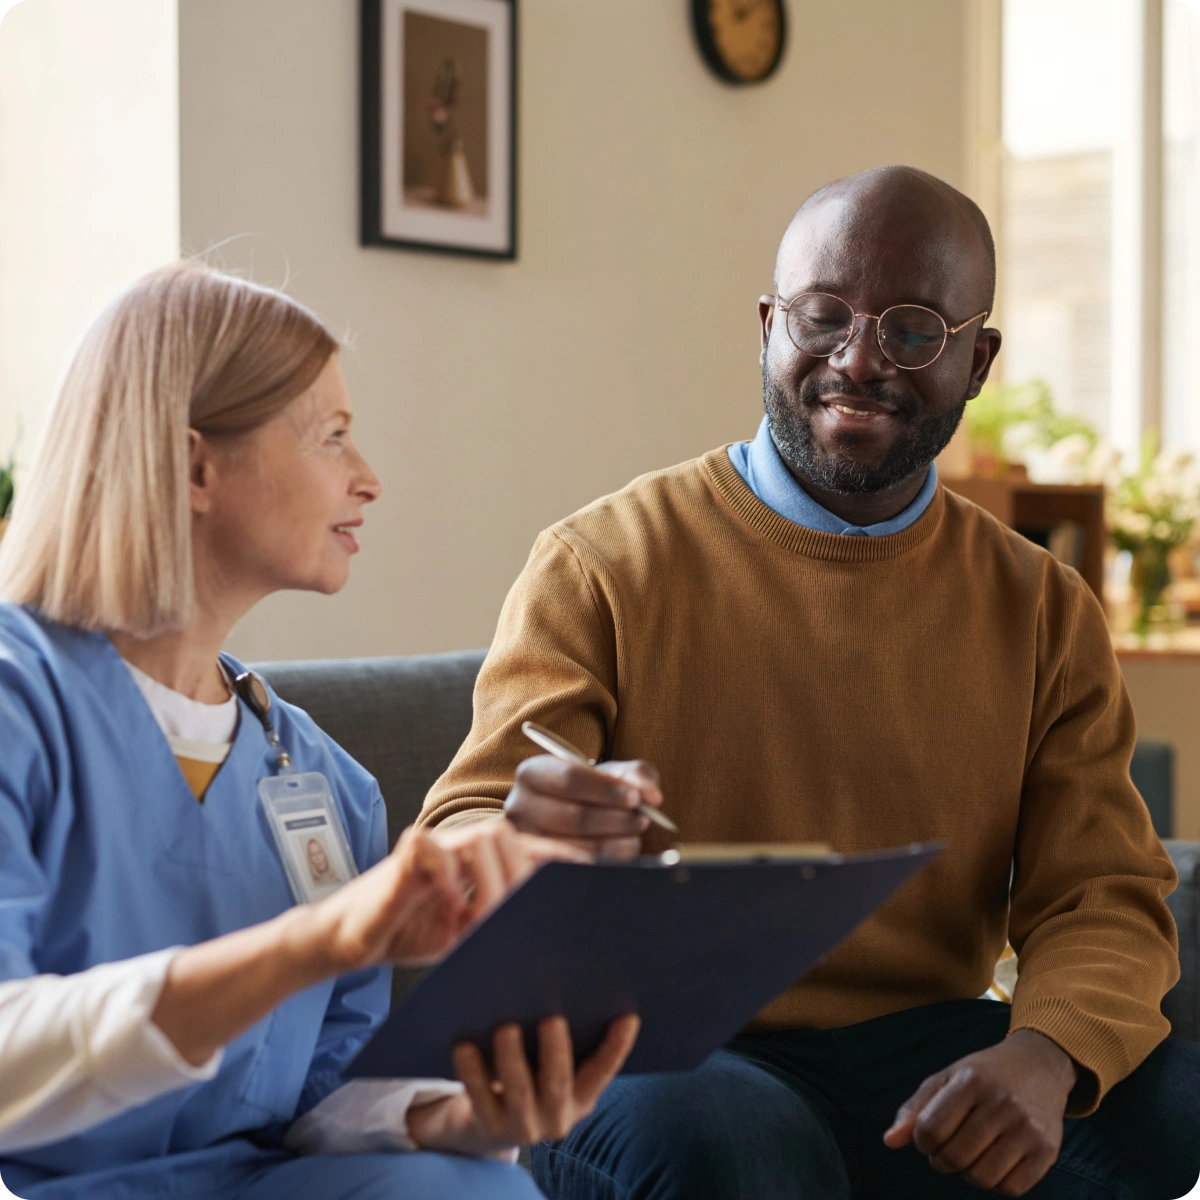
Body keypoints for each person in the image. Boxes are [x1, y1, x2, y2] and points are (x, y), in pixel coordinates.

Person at [420, 166, 1200, 1198]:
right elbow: (460, 828)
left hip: (925, 1049)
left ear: (978, 361)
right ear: (766, 327)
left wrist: (1045, 1056)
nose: (859, 359)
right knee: (732, 1145)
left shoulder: (1042, 605)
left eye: (915, 330)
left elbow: (1101, 892)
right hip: (663, 1049)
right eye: (823, 316)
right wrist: (516, 838)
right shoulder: (603, 562)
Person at [0, 261, 638, 1199]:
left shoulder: (322, 777)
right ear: (194, 467)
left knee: (480, 1191)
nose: (369, 479)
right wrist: (316, 941)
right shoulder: (22, 701)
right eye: (332, 437)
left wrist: (459, 1117)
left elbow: (321, 1092)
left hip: (247, 1180)